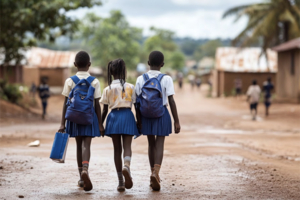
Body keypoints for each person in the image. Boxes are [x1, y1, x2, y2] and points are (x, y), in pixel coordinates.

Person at [58, 51, 105, 192]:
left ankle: (81, 177)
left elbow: (65, 103)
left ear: (75, 65)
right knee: (87, 145)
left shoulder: (70, 81)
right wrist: (100, 123)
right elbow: (97, 104)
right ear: (89, 65)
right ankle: (85, 168)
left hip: (73, 118)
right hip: (89, 117)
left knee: (78, 145)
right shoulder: (95, 82)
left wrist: (62, 123)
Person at [135, 51, 181, 191]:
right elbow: (171, 101)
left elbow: (137, 103)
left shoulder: (140, 79)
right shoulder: (166, 79)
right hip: (162, 114)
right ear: (162, 64)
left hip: (146, 115)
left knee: (151, 144)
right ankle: (156, 172)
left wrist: (139, 120)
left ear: (148, 63)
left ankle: (152, 172)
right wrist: (176, 121)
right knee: (160, 143)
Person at [100, 58, 139, 192]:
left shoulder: (107, 89)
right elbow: (137, 107)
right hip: (127, 116)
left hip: (113, 118)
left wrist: (100, 124)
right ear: (123, 71)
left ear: (111, 73)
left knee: (117, 149)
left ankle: (121, 182)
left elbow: (104, 110)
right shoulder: (131, 87)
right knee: (127, 146)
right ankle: (126, 166)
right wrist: (139, 122)